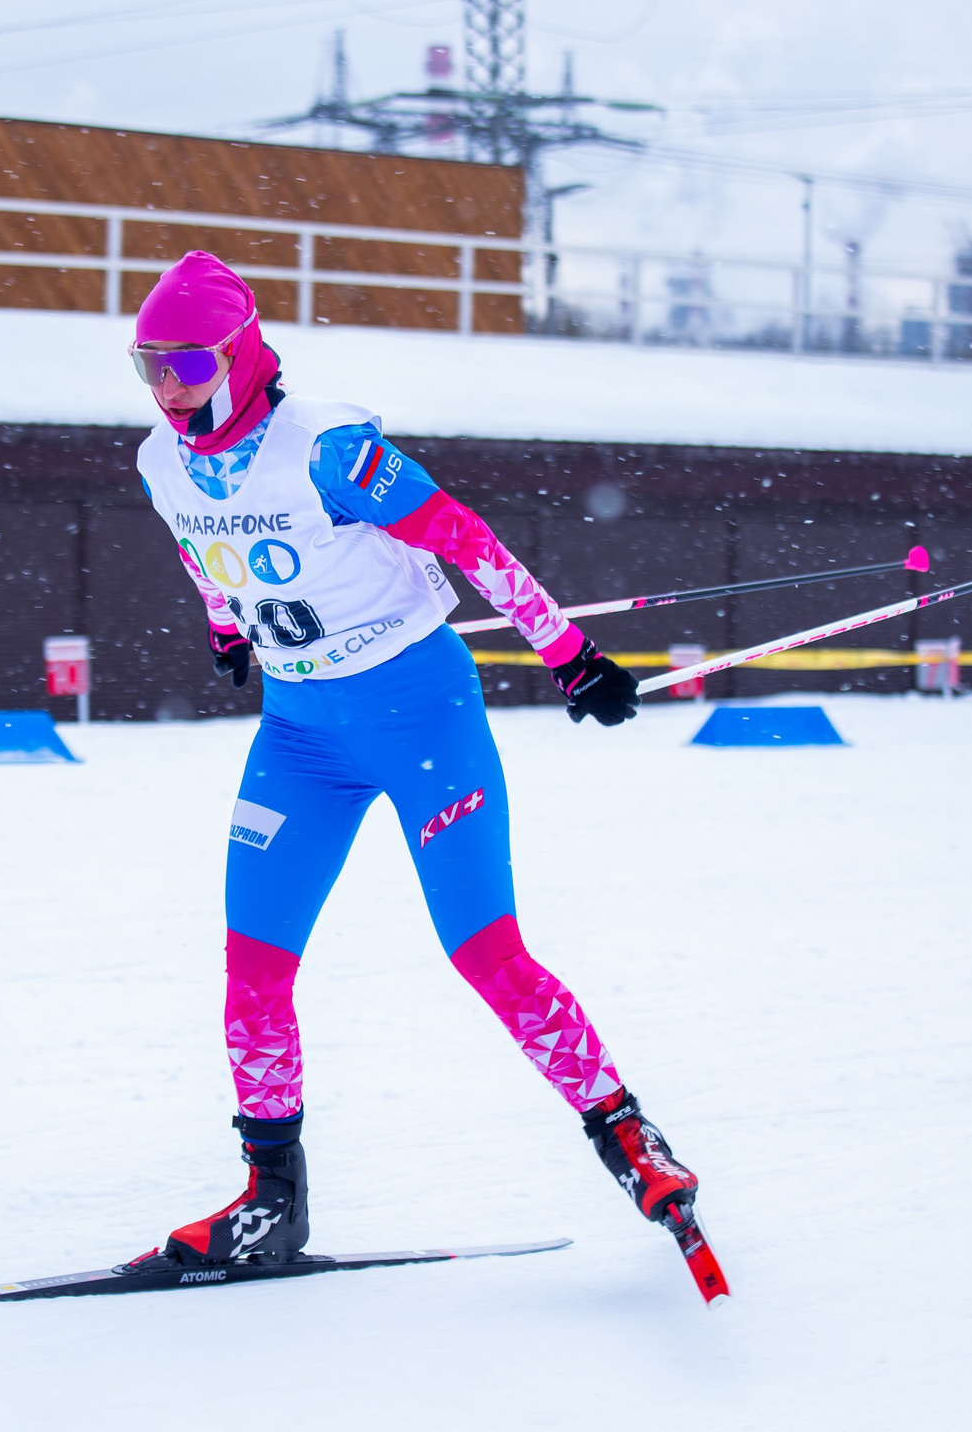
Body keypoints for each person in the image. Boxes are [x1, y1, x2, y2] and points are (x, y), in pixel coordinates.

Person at [122, 250, 702, 1274]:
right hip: (299, 735)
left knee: (486, 954)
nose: (167, 389)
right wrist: (224, 627)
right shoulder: (159, 462)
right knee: (252, 973)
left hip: (420, 718)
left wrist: (567, 654)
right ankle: (273, 1201)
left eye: (184, 364)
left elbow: (467, 541)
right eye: (147, 366)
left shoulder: (328, 450)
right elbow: (198, 550)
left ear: (239, 355)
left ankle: (629, 1139)